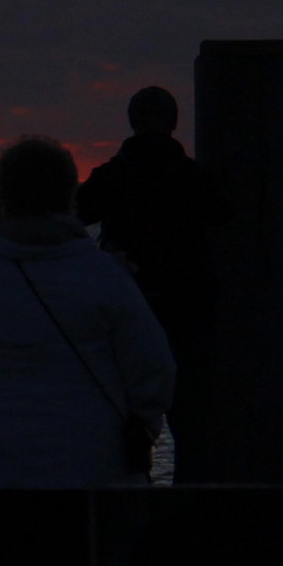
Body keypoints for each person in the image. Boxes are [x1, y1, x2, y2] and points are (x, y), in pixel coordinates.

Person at [0, 137, 175, 566]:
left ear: (4, 196)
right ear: (68, 196)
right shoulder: (105, 276)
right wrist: (140, 426)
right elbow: (153, 367)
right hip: (87, 467)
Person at [73, 86, 228, 481]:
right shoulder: (198, 179)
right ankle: (191, 518)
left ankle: (131, 515)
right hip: (188, 316)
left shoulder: (112, 176)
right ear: (173, 124)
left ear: (132, 121)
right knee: (193, 430)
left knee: (124, 425)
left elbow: (73, 221)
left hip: (126, 314)